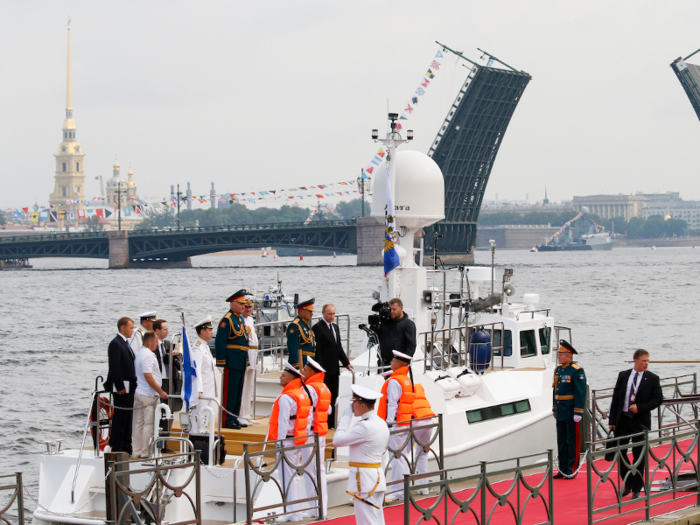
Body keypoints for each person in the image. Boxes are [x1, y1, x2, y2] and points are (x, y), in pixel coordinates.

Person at [609, 348, 663, 499]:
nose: (646, 364)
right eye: (644, 361)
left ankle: (637, 488)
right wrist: (612, 421)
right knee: (620, 452)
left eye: (648, 361)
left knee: (639, 454)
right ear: (636, 361)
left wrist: (640, 407)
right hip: (623, 419)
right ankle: (628, 482)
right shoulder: (624, 375)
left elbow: (658, 399)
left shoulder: (652, 378)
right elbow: (616, 398)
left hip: (640, 421)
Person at [333, 384, 389, 525]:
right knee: (377, 520)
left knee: (366, 521)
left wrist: (346, 417)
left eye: (355, 403)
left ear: (363, 406)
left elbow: (337, 441)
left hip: (364, 480)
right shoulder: (381, 422)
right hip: (376, 476)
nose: (352, 406)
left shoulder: (364, 426)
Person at [268, 362, 312, 523]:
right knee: (294, 476)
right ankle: (296, 511)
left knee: (287, 477)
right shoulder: (301, 394)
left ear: (291, 378)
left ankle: (291, 512)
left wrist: (278, 443)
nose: (280, 377)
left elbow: (283, 422)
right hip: (298, 439)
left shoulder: (287, 397)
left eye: (283, 375)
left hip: (287, 441)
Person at [376, 350, 415, 500]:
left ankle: (399, 491)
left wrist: (389, 424)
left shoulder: (394, 381)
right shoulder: (406, 380)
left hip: (396, 425)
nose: (390, 363)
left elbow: (392, 404)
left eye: (392, 361)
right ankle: (404, 489)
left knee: (397, 457)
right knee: (402, 456)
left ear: (399, 364)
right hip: (405, 422)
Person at [311, 303, 353, 428]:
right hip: (324, 368)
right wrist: (320, 369)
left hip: (334, 368)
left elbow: (338, 347)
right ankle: (323, 421)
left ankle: (332, 421)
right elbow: (317, 351)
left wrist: (346, 363)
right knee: (324, 397)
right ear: (323, 313)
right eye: (329, 314)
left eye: (333, 314)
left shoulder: (335, 327)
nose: (332, 316)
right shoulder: (318, 328)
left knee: (334, 395)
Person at [300, 357, 332, 518]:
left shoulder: (310, 389)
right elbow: (329, 410)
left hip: (311, 434)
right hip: (321, 432)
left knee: (311, 470)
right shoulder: (324, 388)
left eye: (305, 370)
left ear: (312, 372)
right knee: (318, 469)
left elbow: (307, 412)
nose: (302, 372)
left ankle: (315, 508)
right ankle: (321, 506)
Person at [215, 290, 250, 430]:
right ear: (233, 304)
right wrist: (221, 362)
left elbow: (244, 342)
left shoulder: (240, 319)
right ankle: (227, 419)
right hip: (231, 361)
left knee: (238, 391)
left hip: (240, 361)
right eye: (241, 304)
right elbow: (220, 342)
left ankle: (234, 417)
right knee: (230, 392)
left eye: (244, 304)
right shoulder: (227, 320)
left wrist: (246, 361)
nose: (243, 306)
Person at [552, 340, 587, 479]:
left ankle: (571, 469)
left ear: (569, 356)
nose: (559, 357)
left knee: (572, 440)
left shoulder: (577, 371)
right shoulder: (559, 370)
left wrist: (578, 412)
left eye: (561, 354)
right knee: (561, 440)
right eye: (559, 354)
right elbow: (556, 390)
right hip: (561, 410)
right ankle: (562, 468)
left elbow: (580, 392)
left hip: (571, 410)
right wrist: (554, 407)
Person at [132, 331, 168, 458]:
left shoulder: (141, 353)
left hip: (140, 392)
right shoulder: (148, 355)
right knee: (149, 424)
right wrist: (161, 392)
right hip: (148, 394)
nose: (157, 344)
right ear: (149, 342)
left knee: (139, 424)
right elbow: (148, 376)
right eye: (156, 341)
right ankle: (146, 452)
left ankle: (136, 451)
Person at [106, 317, 137, 454]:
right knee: (120, 416)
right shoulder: (115, 344)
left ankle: (126, 444)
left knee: (128, 416)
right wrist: (119, 387)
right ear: (122, 328)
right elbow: (114, 367)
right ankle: (117, 445)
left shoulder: (125, 343)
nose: (132, 331)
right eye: (130, 328)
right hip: (122, 387)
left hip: (130, 385)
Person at [190, 316, 218, 434]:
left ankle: (203, 438)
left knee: (205, 417)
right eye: (209, 330)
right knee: (199, 417)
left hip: (208, 389)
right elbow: (196, 370)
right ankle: (197, 440)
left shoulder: (204, 345)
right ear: (202, 331)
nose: (212, 332)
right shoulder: (198, 348)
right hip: (202, 390)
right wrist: (198, 389)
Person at [370, 298, 416, 367]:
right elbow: (376, 338)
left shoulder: (408, 324)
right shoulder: (385, 322)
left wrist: (405, 361)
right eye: (390, 309)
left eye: (394, 309)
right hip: (383, 362)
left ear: (401, 308)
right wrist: (374, 326)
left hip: (398, 363)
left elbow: (411, 345)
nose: (391, 312)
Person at [152, 319, 174, 452]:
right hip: (157, 383)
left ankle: (165, 442)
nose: (167, 332)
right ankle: (158, 442)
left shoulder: (166, 345)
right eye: (165, 329)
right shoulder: (153, 347)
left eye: (167, 329)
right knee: (158, 415)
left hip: (167, 381)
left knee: (167, 414)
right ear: (157, 331)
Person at [412, 382, 436, 495]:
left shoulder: (401, 387)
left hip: (416, 421)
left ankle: (401, 489)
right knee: (422, 454)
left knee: (401, 454)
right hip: (429, 420)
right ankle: (424, 487)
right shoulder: (419, 386)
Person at [239, 296, 260, 426]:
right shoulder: (240, 320)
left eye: (250, 307)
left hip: (253, 353)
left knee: (249, 385)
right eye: (246, 307)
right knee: (243, 385)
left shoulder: (251, 320)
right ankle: (241, 414)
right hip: (246, 354)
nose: (248, 309)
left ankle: (246, 413)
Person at [287, 298, 316, 371]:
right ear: (301, 311)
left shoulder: (306, 325)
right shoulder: (295, 325)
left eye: (312, 311)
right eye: (309, 311)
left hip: (309, 363)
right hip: (302, 364)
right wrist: (297, 367)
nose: (312, 314)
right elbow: (293, 348)